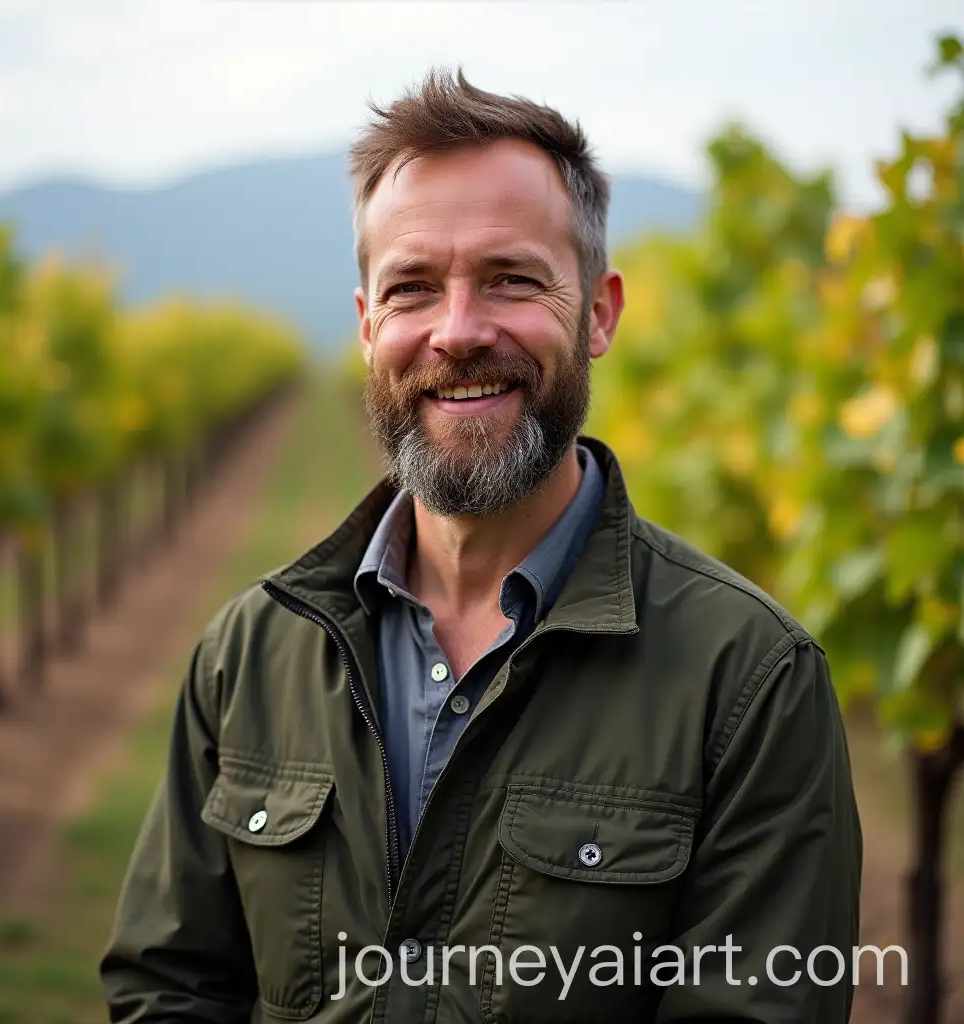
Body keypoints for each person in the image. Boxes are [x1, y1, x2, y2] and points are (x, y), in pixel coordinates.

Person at [101, 68, 862, 1023]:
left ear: (599, 313)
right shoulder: (247, 655)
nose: (457, 333)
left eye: (511, 279)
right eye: (412, 289)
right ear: (367, 325)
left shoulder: (751, 681)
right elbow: (169, 989)